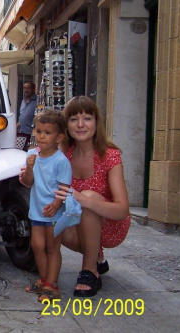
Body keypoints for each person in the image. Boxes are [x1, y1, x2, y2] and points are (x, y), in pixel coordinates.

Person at [32, 96, 130, 298]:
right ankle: (95, 254)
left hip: (109, 224)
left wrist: (84, 200)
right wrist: (29, 170)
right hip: (78, 223)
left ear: (96, 122)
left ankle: (89, 271)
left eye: (87, 118)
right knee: (56, 227)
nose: (81, 124)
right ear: (65, 126)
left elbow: (122, 211)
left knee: (86, 197)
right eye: (74, 119)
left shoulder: (109, 155)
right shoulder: (62, 155)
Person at [20, 110, 72, 302]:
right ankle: (44, 280)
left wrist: (56, 204)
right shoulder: (32, 154)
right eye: (39, 131)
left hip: (54, 213)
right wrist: (30, 167)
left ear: (59, 137)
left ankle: (52, 285)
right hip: (36, 210)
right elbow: (27, 181)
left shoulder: (61, 161)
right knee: (36, 245)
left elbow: (64, 187)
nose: (41, 136)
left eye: (47, 133)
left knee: (52, 247)